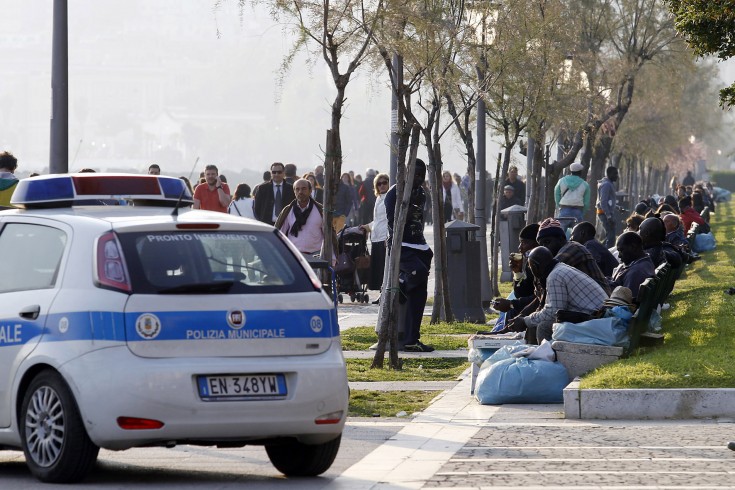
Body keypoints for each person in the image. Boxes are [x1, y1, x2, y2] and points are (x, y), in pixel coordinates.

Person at [506, 246, 608, 344]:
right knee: (535, 325)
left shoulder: (555, 276)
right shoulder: (559, 269)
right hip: (595, 318)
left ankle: (547, 358)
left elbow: (552, 313)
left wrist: (525, 321)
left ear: (535, 267)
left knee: (544, 327)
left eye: (530, 267)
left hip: (597, 322)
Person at [384, 159, 434, 353]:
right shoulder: (394, 193)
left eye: (422, 175)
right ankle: (402, 284)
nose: (419, 178)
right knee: (417, 274)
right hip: (401, 245)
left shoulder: (421, 193)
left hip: (419, 245)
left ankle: (412, 338)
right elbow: (392, 223)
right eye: (416, 174)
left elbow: (419, 220)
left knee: (420, 293)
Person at [535, 218, 612, 295]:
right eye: (541, 245)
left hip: (600, 302)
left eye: (547, 242)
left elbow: (547, 275)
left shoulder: (573, 248)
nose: (544, 248)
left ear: (561, 239)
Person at [492, 223, 540, 321]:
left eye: (524, 243)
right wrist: (517, 272)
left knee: (513, 312)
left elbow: (538, 298)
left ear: (537, 244)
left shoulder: (542, 263)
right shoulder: (529, 263)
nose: (520, 247)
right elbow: (522, 293)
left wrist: (511, 304)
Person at [275, 178, 335, 257]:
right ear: (294, 192)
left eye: (304, 189)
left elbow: (328, 236)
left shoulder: (320, 210)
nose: (300, 192)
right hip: (294, 255)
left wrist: (332, 258)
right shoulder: (288, 211)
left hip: (316, 255)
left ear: (310, 191)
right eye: (297, 189)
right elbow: (280, 234)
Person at [362, 173, 390, 297]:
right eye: (379, 183)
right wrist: (367, 227)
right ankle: (381, 293)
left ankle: (385, 294)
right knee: (379, 268)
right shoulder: (378, 199)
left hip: (385, 237)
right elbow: (378, 220)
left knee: (385, 268)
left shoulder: (390, 198)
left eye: (385, 182)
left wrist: (389, 236)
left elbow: (390, 219)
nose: (382, 185)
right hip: (376, 237)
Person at [610, 231, 655, 301]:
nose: (619, 255)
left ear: (633, 247)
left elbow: (625, 303)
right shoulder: (642, 262)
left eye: (621, 250)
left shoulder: (636, 272)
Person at [554, 162, 590, 232]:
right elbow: (586, 202)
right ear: (580, 172)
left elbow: (556, 194)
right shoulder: (585, 184)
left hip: (564, 210)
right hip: (578, 211)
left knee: (560, 234)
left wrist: (559, 205)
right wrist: (582, 212)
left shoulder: (561, 181)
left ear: (571, 171)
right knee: (578, 234)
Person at [596, 166, 619, 248]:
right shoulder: (606, 185)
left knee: (610, 236)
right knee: (611, 238)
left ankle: (599, 251)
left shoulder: (609, 184)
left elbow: (609, 202)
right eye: (615, 174)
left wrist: (617, 207)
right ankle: (604, 255)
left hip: (606, 213)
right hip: (604, 214)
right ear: (609, 174)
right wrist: (609, 216)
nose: (617, 176)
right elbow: (603, 202)